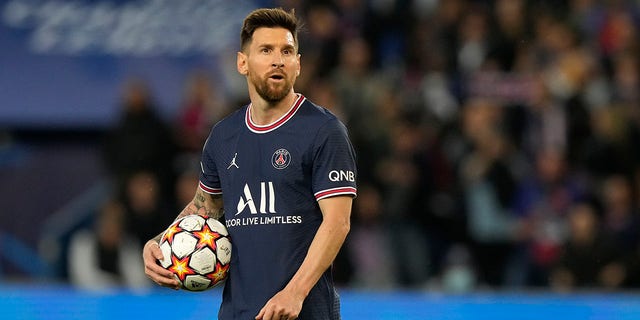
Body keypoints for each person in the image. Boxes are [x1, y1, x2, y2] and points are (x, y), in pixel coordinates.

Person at [142, 8, 357, 320]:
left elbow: (337, 222)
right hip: (238, 312)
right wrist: (160, 242)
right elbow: (207, 208)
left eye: (287, 51)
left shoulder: (324, 130)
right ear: (242, 62)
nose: (277, 60)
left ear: (298, 64)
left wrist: (294, 293)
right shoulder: (223, 136)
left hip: (303, 312)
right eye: (266, 50)